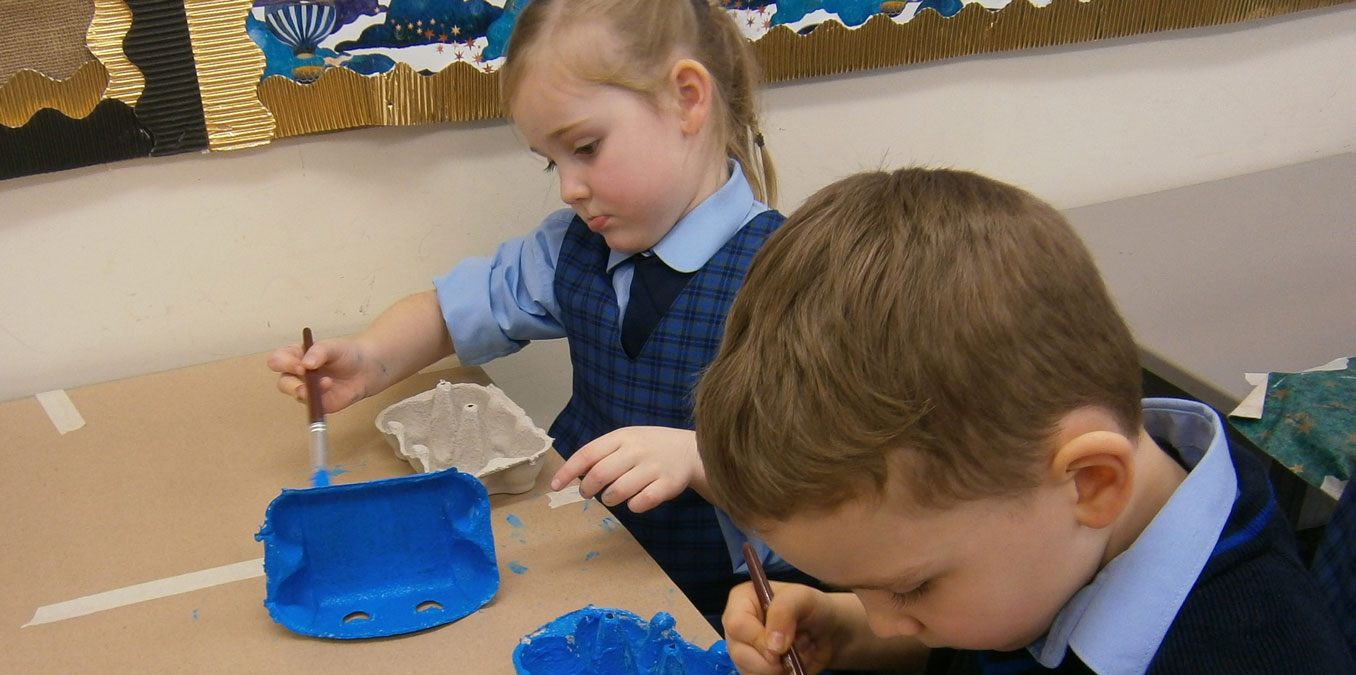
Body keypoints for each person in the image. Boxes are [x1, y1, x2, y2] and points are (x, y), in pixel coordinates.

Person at [693, 168, 1355, 673]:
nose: (887, 620)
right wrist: (849, 630)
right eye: (864, 589)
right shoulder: (1041, 531)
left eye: (911, 588)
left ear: (1093, 482)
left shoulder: (1258, 650)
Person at [268, 0, 795, 619]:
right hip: (582, 555)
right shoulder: (571, 247)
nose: (569, 188)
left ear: (686, 99)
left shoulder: (791, 282)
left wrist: (702, 459)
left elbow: (821, 486)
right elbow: (453, 311)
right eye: (553, 161)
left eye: (587, 148)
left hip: (718, 606)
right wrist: (369, 359)